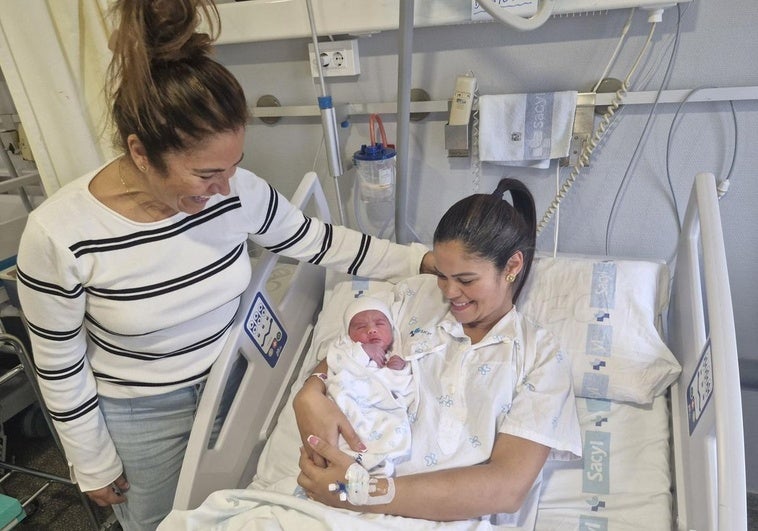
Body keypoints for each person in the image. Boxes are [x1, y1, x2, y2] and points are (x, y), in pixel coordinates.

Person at [14, 1, 431, 529]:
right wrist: (90, 458)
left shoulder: (237, 194)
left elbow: (321, 242)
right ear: (141, 153)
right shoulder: (60, 234)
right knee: (158, 522)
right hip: (144, 409)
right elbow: (58, 360)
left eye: (234, 166)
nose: (226, 188)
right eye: (207, 173)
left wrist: (422, 260)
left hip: (235, 376)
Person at [294, 178, 582, 526]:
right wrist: (310, 390)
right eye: (442, 275)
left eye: (466, 279)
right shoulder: (411, 298)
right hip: (334, 505)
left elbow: (507, 487)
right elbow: (350, 352)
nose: (449, 292)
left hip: (441, 518)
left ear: (512, 267)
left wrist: (360, 492)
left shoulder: (541, 356)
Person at [321, 296, 414, 477]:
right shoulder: (345, 348)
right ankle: (351, 464)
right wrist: (362, 352)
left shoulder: (394, 356)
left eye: (379, 324)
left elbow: (405, 392)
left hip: (379, 412)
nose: (371, 330)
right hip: (349, 405)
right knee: (347, 437)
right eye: (361, 327)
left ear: (391, 329)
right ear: (349, 334)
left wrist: (399, 371)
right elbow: (337, 363)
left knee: (390, 433)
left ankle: (377, 464)